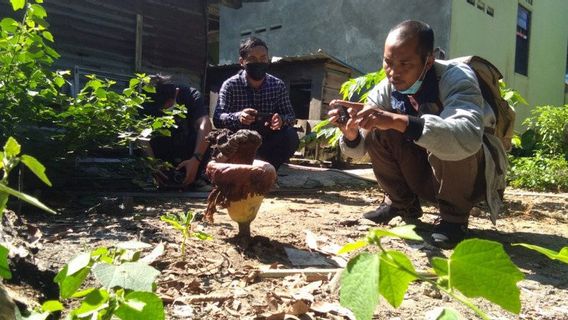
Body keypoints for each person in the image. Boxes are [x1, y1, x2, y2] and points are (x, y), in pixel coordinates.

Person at [328, 20, 507, 248]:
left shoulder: (457, 78)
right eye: (388, 62)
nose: (394, 72)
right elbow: (362, 149)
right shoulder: (387, 87)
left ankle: (454, 219)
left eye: (405, 64)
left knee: (448, 135)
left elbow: (467, 138)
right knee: (379, 130)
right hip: (426, 174)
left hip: (468, 175)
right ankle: (402, 204)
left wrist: (396, 120)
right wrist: (352, 133)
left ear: (429, 61)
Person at [213, 36, 299, 171]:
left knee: (290, 136)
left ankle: (269, 168)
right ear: (242, 61)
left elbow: (291, 116)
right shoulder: (230, 85)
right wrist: (238, 117)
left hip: (267, 142)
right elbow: (218, 118)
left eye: (263, 58)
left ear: (268, 59)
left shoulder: (277, 85)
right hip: (238, 141)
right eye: (252, 59)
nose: (259, 62)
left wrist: (281, 120)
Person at [142, 74, 212, 188]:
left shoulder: (191, 95)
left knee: (203, 136)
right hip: (162, 152)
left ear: (176, 92)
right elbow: (141, 137)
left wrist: (196, 159)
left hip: (188, 150)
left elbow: (205, 125)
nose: (166, 109)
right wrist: (153, 163)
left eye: (169, 104)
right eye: (162, 108)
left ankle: (194, 176)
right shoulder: (148, 102)